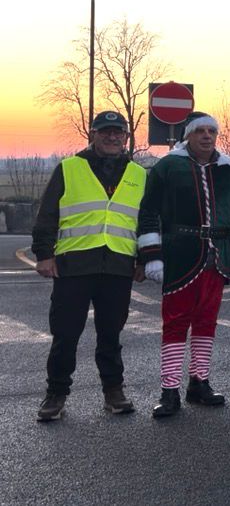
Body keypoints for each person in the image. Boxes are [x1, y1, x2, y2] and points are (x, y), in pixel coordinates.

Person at [32, 111, 144, 421]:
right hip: (74, 267)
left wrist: (144, 260)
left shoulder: (138, 174)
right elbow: (47, 216)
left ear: (126, 137)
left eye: (118, 132)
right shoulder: (69, 168)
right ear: (92, 134)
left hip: (119, 267)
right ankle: (56, 394)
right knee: (66, 335)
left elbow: (148, 221)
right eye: (105, 132)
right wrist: (44, 254)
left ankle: (114, 391)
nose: (112, 137)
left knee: (111, 334)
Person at [137, 111, 230, 418]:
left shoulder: (228, 170)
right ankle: (169, 390)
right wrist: (152, 255)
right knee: (175, 323)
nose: (206, 136)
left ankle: (199, 382)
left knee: (206, 322)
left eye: (211, 131)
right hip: (180, 255)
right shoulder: (167, 167)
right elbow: (148, 212)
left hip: (218, 257)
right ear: (187, 135)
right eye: (199, 131)